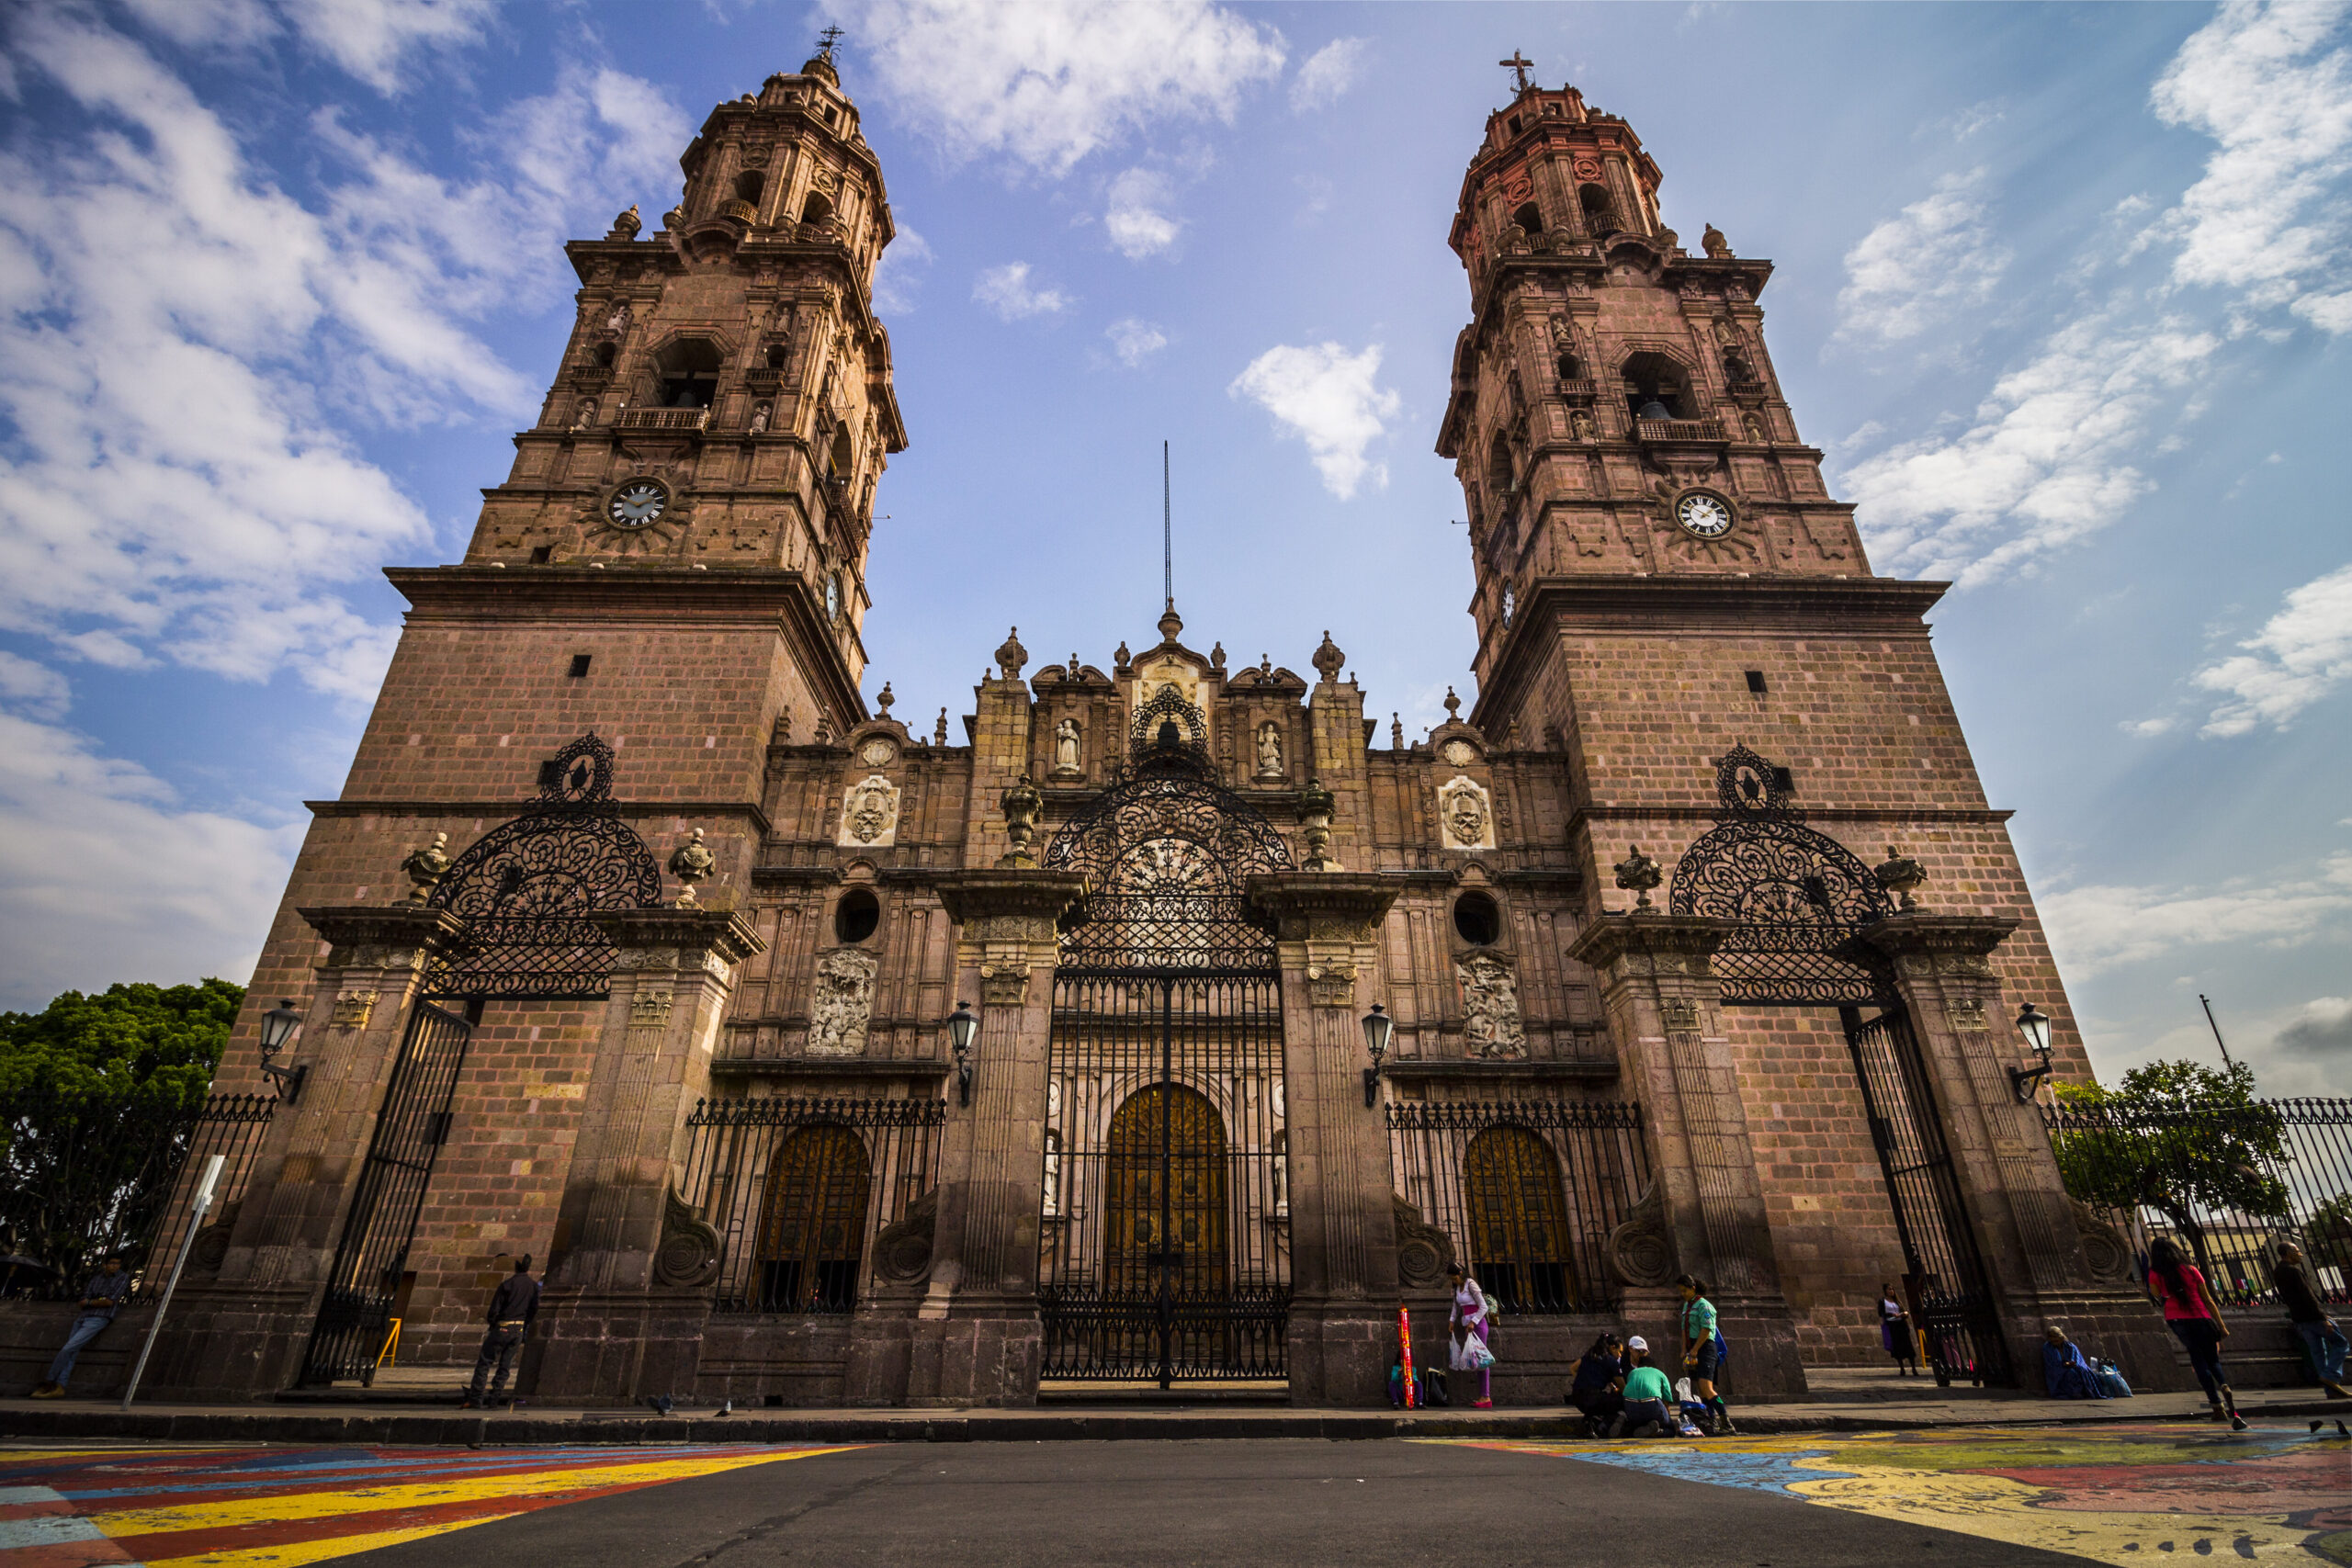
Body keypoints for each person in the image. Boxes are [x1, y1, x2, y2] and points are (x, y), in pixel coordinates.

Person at [2147, 1235, 2245, 1429]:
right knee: (2212, 1359)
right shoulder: (2191, 1270)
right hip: (2201, 1316)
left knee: (2197, 1359)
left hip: (2176, 1318)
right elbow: (2208, 1299)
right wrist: (2221, 1325)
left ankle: (2216, 1405)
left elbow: (2157, 1295)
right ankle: (2224, 1384)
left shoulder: (2156, 1272)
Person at [30, 1256, 130, 1398]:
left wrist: (92, 1301)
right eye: (112, 1263)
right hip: (83, 1316)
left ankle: (49, 1381)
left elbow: (109, 1301)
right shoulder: (97, 1278)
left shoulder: (122, 1278)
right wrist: (96, 1300)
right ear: (105, 1264)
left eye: (118, 1263)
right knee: (72, 1352)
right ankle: (60, 1386)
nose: (115, 1266)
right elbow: (83, 1299)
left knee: (68, 1348)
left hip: (99, 1317)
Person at [460, 1255, 538, 1409]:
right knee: (505, 1365)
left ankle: (476, 1399)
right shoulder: (533, 1286)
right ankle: (494, 1399)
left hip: (503, 1326)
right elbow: (533, 1308)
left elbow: (494, 1309)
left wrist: (494, 1323)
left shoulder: (508, 1284)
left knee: (485, 1361)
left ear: (516, 1267)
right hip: (519, 1328)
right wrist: (525, 1323)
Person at [2274, 1241, 2350, 1399]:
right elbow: (2307, 1296)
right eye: (2297, 1250)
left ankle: (2331, 1390)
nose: (2300, 1253)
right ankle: (2331, 1376)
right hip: (2313, 1317)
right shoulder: (2294, 1272)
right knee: (2341, 1344)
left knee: (2318, 1353)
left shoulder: (2278, 1272)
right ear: (2288, 1253)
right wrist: (2323, 1318)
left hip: (2299, 1319)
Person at [1678, 1274, 1735, 1435]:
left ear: (1693, 1288)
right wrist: (1684, 1349)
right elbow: (1684, 1329)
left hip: (1705, 1348)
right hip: (1693, 1349)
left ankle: (1726, 1420)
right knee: (1701, 1390)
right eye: (1680, 1291)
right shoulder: (1687, 1306)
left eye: (1684, 1290)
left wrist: (1695, 1350)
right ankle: (1712, 1420)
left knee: (1706, 1387)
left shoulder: (1704, 1306)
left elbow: (1707, 1329)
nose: (1682, 1294)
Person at [1446, 1263, 1496, 1409]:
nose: (1454, 1281)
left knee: (1481, 1359)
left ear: (1460, 1273)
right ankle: (1482, 1395)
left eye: (1455, 1278)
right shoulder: (1457, 1288)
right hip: (1467, 1326)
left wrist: (1474, 1322)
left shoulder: (1470, 1284)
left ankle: (1486, 1396)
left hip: (1478, 1325)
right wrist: (1451, 1321)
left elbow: (1484, 1306)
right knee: (1476, 1361)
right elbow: (1456, 1306)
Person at [1611, 1337, 1676, 1438]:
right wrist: (1667, 1420)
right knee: (1671, 1430)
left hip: (1630, 1405)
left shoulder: (1632, 1372)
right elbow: (1666, 1403)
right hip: (1651, 1404)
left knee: (1634, 1425)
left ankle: (1625, 1422)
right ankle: (1657, 1431)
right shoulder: (1660, 1373)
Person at [1566, 1332, 1627, 1436]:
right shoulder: (1612, 1362)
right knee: (1622, 1401)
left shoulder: (1590, 1355)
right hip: (1593, 1400)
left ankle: (1590, 1420)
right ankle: (1604, 1423)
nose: (1620, 1355)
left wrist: (1583, 1380)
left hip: (1577, 1398)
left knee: (1600, 1399)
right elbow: (1624, 1388)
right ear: (1613, 1348)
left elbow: (1573, 1368)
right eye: (1619, 1351)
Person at [2041, 1325, 2109, 1399]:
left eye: (2055, 1337)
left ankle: (2086, 1392)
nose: (2053, 1339)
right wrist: (2063, 1365)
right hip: (2058, 1368)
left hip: (2072, 1366)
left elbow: (2076, 1358)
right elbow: (2051, 1363)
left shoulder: (2070, 1346)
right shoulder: (2047, 1348)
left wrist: (2071, 1363)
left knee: (2083, 1370)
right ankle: (2074, 1393)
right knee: (2070, 1374)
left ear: (2060, 1337)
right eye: (2051, 1337)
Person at [1879, 1282, 1919, 1377]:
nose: (1891, 1291)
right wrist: (1891, 1315)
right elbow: (1881, 1313)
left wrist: (1904, 1314)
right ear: (1885, 1291)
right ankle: (1902, 1368)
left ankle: (1914, 1368)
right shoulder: (1883, 1301)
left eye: (1892, 1289)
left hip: (1901, 1325)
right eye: (1889, 1289)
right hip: (1892, 1326)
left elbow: (1903, 1310)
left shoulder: (1897, 1301)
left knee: (1908, 1346)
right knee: (1897, 1347)